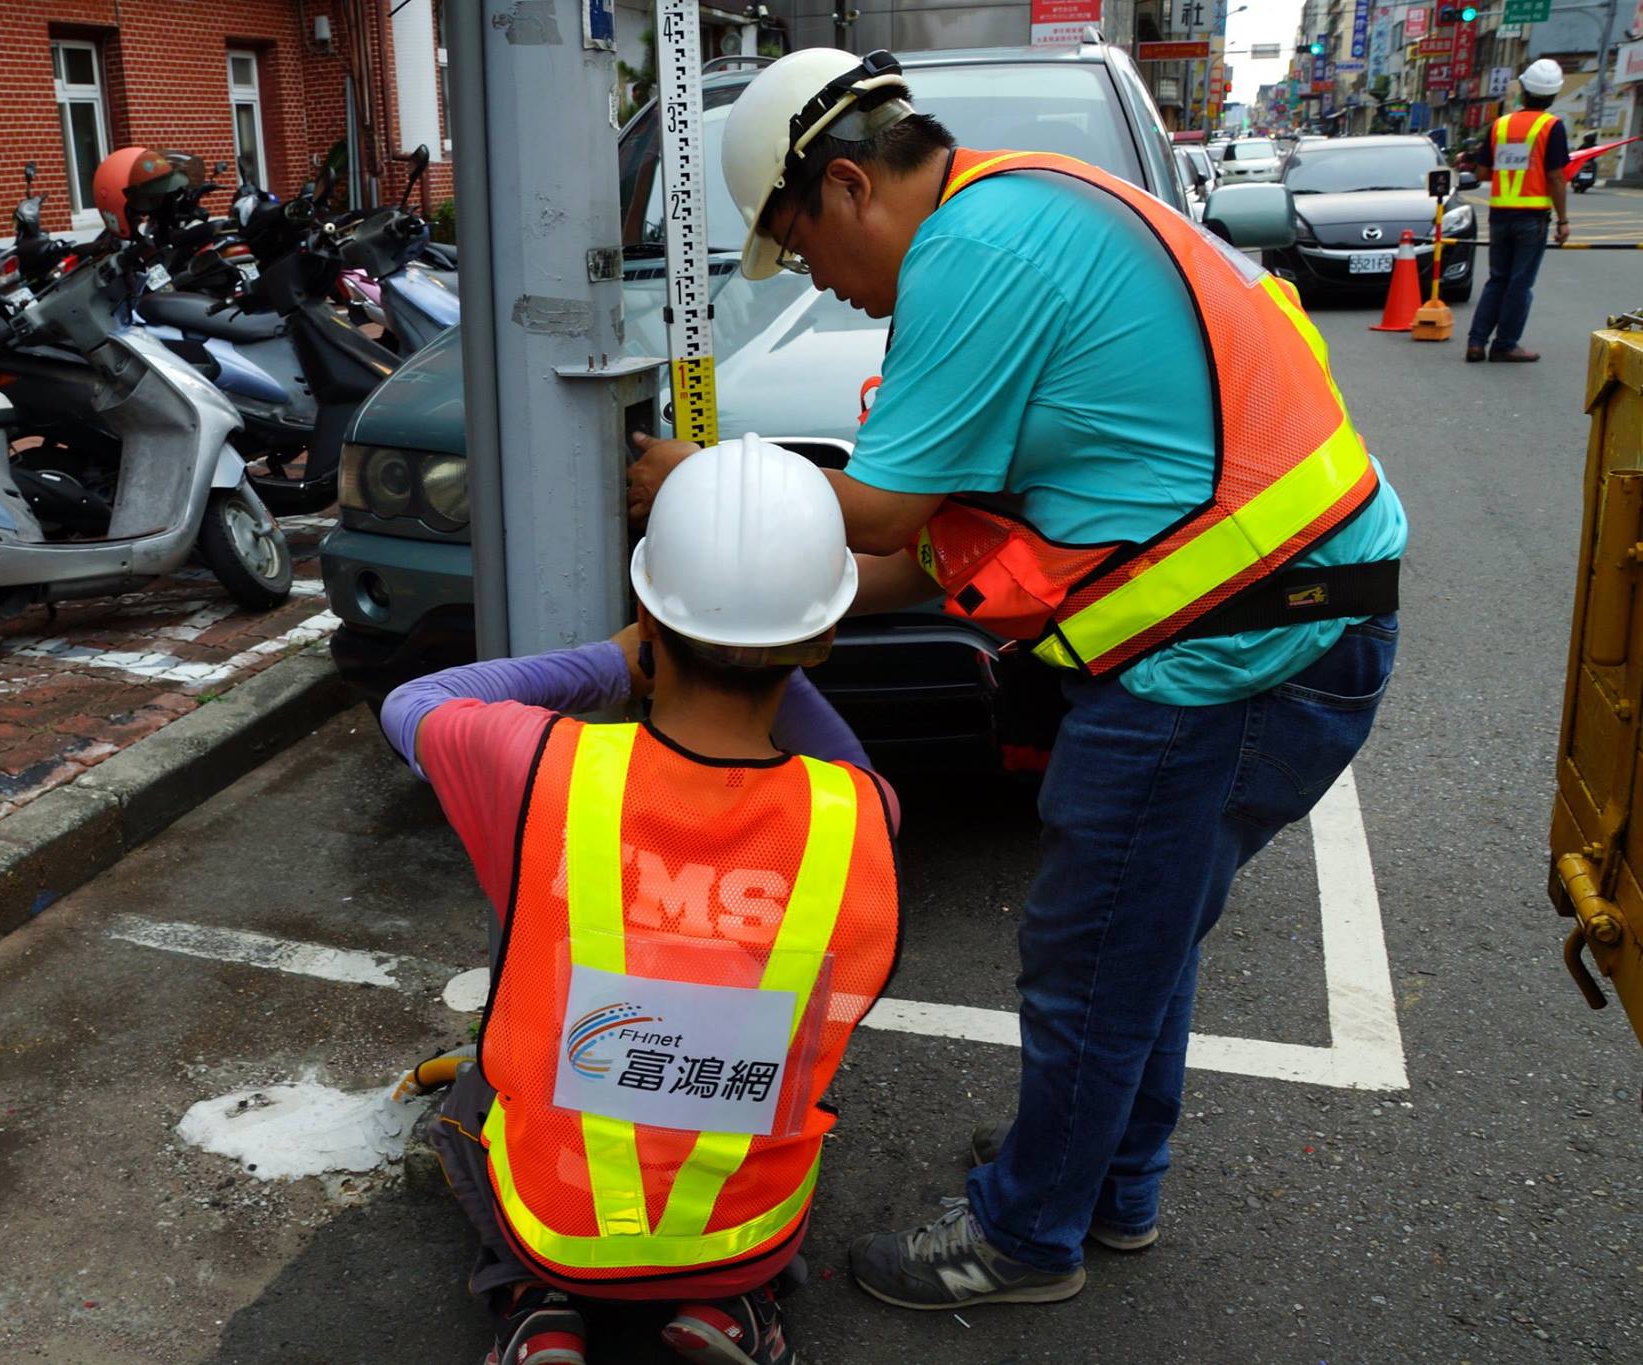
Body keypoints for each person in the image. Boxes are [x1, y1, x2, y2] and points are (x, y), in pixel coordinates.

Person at [630, 48, 1407, 1313]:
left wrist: (698, 488)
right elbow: (939, 555)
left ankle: (1024, 1237)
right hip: (1289, 625)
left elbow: (878, 515)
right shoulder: (1030, 202)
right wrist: (778, 608)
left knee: (1092, 948)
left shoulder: (971, 255)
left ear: (843, 188)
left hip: (1230, 654)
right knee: (1135, 935)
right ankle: (1105, 1183)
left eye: (801, 249)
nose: (821, 285)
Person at [382, 435, 902, 1365]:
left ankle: (535, 1309)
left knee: (474, 1095)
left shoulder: (538, 766)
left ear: (648, 615)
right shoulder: (862, 813)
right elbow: (850, 759)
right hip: (741, 1225)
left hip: (561, 1219)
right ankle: (735, 1306)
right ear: (822, 638)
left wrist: (613, 661)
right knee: (780, 1104)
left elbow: (415, 702)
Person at [1465, 59, 1571, 363]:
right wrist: (1563, 220)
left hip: (1500, 215)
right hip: (1532, 217)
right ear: (1552, 95)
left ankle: (1475, 343)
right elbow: (1555, 177)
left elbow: (1483, 171)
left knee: (1497, 279)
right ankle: (1505, 344)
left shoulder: (1501, 125)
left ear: (1523, 90)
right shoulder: (1551, 127)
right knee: (1519, 283)